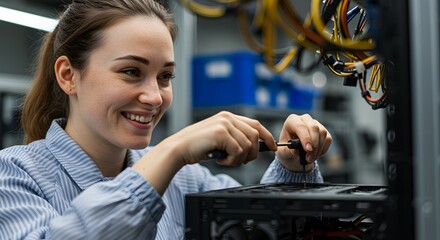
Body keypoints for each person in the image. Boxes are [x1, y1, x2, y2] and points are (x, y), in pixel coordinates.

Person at [0, 0, 332, 239]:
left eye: (165, 76)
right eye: (131, 72)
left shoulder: (185, 180)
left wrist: (292, 167)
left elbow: (268, 225)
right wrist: (171, 150)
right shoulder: (13, 174)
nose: (156, 97)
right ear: (68, 75)